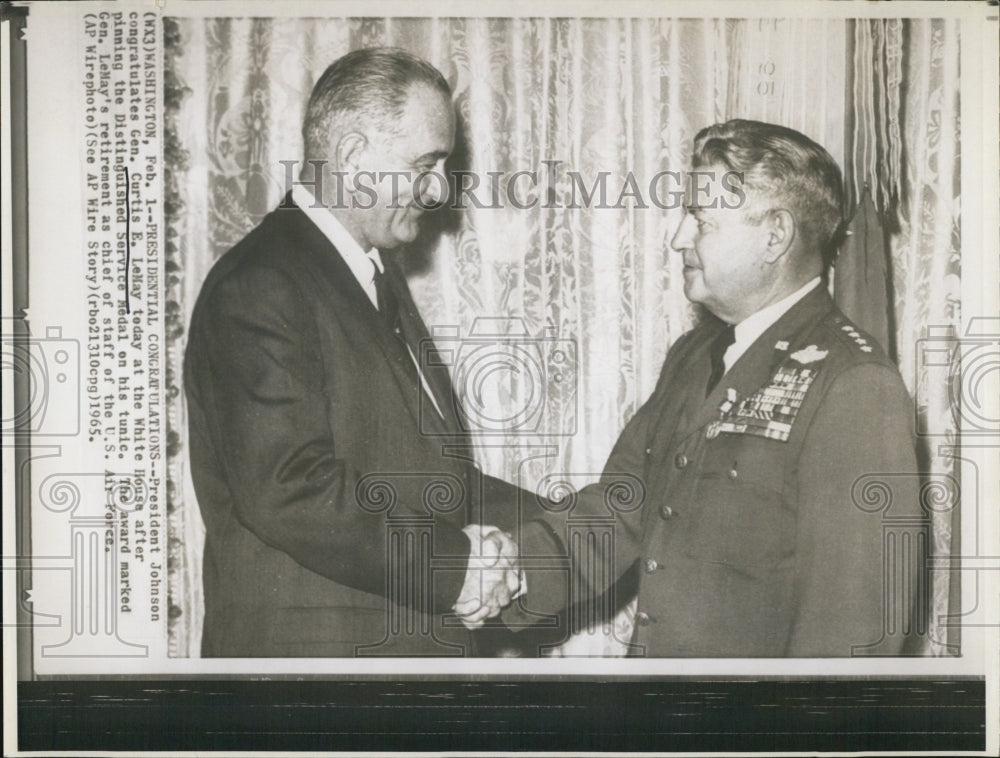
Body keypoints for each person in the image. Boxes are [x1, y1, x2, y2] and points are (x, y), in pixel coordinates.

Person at [497, 119, 923, 657]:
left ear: (774, 235)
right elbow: (620, 507)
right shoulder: (694, 356)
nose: (679, 238)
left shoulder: (855, 385)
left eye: (701, 220)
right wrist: (506, 572)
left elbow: (853, 633)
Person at [184, 47, 521, 657]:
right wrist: (459, 566)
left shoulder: (371, 276)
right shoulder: (262, 282)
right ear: (353, 156)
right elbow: (289, 489)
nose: (439, 188)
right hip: (311, 686)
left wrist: (569, 523)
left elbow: (427, 478)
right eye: (426, 163)